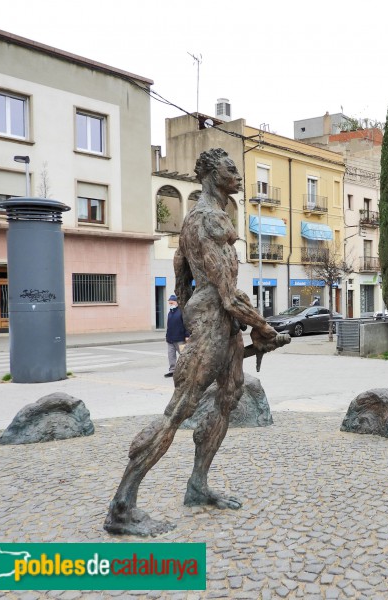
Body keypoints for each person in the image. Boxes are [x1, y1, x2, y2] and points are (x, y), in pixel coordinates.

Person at [104, 148, 290, 536]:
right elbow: (226, 294)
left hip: (222, 326)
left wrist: (243, 329)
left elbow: (180, 277)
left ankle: (198, 485)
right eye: (230, 169)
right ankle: (122, 505)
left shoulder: (212, 218)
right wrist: (263, 328)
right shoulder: (204, 220)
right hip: (214, 321)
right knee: (178, 410)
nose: (238, 174)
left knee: (229, 396)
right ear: (209, 174)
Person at [165, 294, 189, 377]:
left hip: (180, 339)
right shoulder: (170, 313)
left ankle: (188, 370)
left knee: (183, 355)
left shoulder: (181, 312)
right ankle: (172, 370)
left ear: (176, 302)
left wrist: (187, 335)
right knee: (171, 356)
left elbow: (186, 324)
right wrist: (167, 336)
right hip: (170, 339)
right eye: (169, 303)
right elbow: (169, 325)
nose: (170, 305)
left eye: (171, 303)